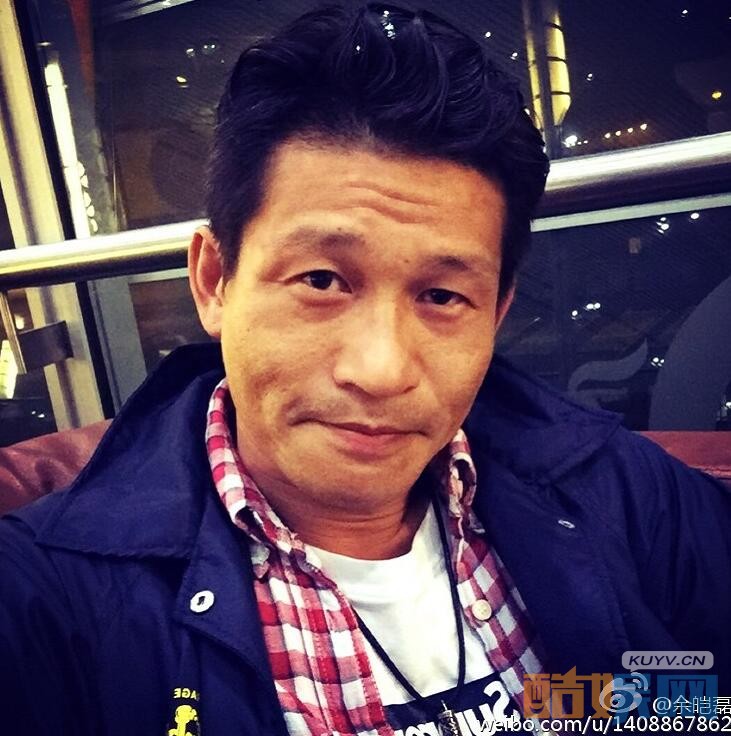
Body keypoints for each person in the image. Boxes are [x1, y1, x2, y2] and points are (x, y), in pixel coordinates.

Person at [1, 4, 729, 735]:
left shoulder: (612, 490)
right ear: (215, 280)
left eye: (442, 296)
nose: (380, 370)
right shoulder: (46, 603)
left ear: (496, 312)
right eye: (321, 280)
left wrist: (636, 707)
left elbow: (699, 701)